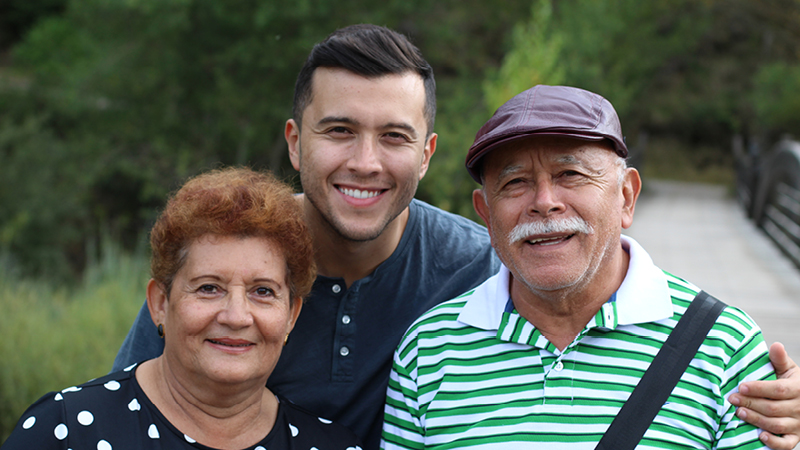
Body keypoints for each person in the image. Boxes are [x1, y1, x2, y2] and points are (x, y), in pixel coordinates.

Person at [111, 26, 800, 450]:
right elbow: (126, 411)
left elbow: (596, 280)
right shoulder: (229, 266)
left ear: (428, 152)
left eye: (394, 137)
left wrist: (766, 391)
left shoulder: (479, 264)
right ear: (295, 142)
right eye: (339, 131)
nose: (365, 162)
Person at [380, 84, 781, 449]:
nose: (544, 201)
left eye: (570, 174)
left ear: (626, 197)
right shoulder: (428, 351)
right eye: (514, 182)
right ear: (486, 214)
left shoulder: (724, 347)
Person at [2, 168, 360, 449]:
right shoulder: (65, 432)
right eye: (209, 288)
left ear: (291, 316)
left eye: (262, 291)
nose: (236, 316)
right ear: (160, 303)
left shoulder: (332, 447)